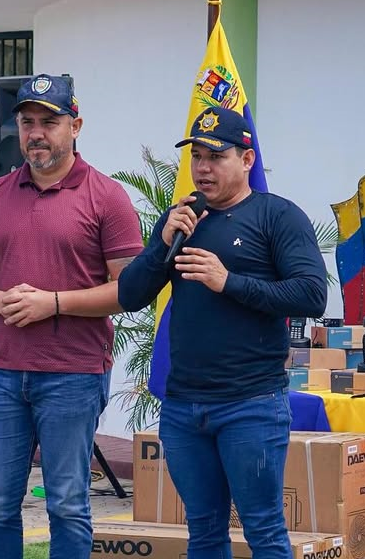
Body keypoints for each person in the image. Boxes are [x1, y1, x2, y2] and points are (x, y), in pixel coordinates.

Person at [117, 106, 327, 559]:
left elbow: (312, 295)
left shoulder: (278, 216)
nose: (203, 168)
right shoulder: (184, 218)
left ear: (247, 160)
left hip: (250, 404)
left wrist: (228, 281)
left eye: (216, 156)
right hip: (183, 407)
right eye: (197, 156)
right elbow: (130, 294)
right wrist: (161, 243)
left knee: (263, 528)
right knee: (204, 530)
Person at [0, 73, 143, 559]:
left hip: (73, 373)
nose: (36, 133)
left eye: (49, 122)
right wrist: (0, 302)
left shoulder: (107, 196)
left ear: (75, 127)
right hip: (2, 373)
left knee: (66, 503)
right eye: (27, 123)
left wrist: (53, 302)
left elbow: (130, 290)